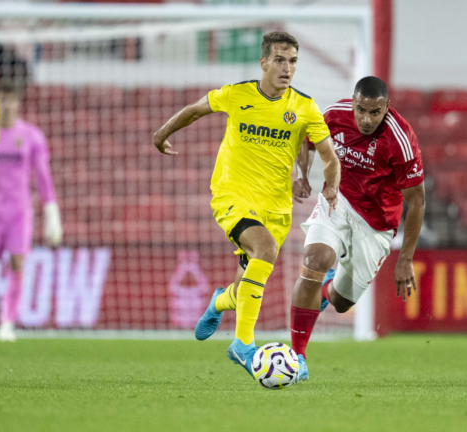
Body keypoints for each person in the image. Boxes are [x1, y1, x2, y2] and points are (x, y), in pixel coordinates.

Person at [153, 31, 341, 377]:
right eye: (281, 60)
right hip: (233, 197)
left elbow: (326, 154)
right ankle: (242, 344)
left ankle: (219, 301)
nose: (288, 69)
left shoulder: (304, 107)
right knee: (265, 250)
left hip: (277, 207)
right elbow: (195, 111)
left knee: (247, 289)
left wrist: (321, 182)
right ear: (264, 62)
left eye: (293, 61)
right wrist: (161, 134)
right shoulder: (237, 94)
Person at [289, 76, 425, 381]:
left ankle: (325, 291)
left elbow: (417, 201)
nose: (366, 119)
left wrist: (405, 258)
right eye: (361, 110)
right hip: (337, 202)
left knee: (341, 302)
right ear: (353, 102)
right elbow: (306, 139)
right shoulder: (334, 115)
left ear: (387, 107)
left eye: (374, 113)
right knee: (314, 261)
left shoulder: (400, 139)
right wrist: (302, 175)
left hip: (376, 226)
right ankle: (297, 356)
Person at [0, 83, 62, 342]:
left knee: (17, 263)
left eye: (11, 100)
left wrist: (51, 212)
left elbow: (43, 176)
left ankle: (8, 322)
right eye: (2, 100)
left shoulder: (31, 136)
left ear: (18, 103)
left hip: (18, 212)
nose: (7, 106)